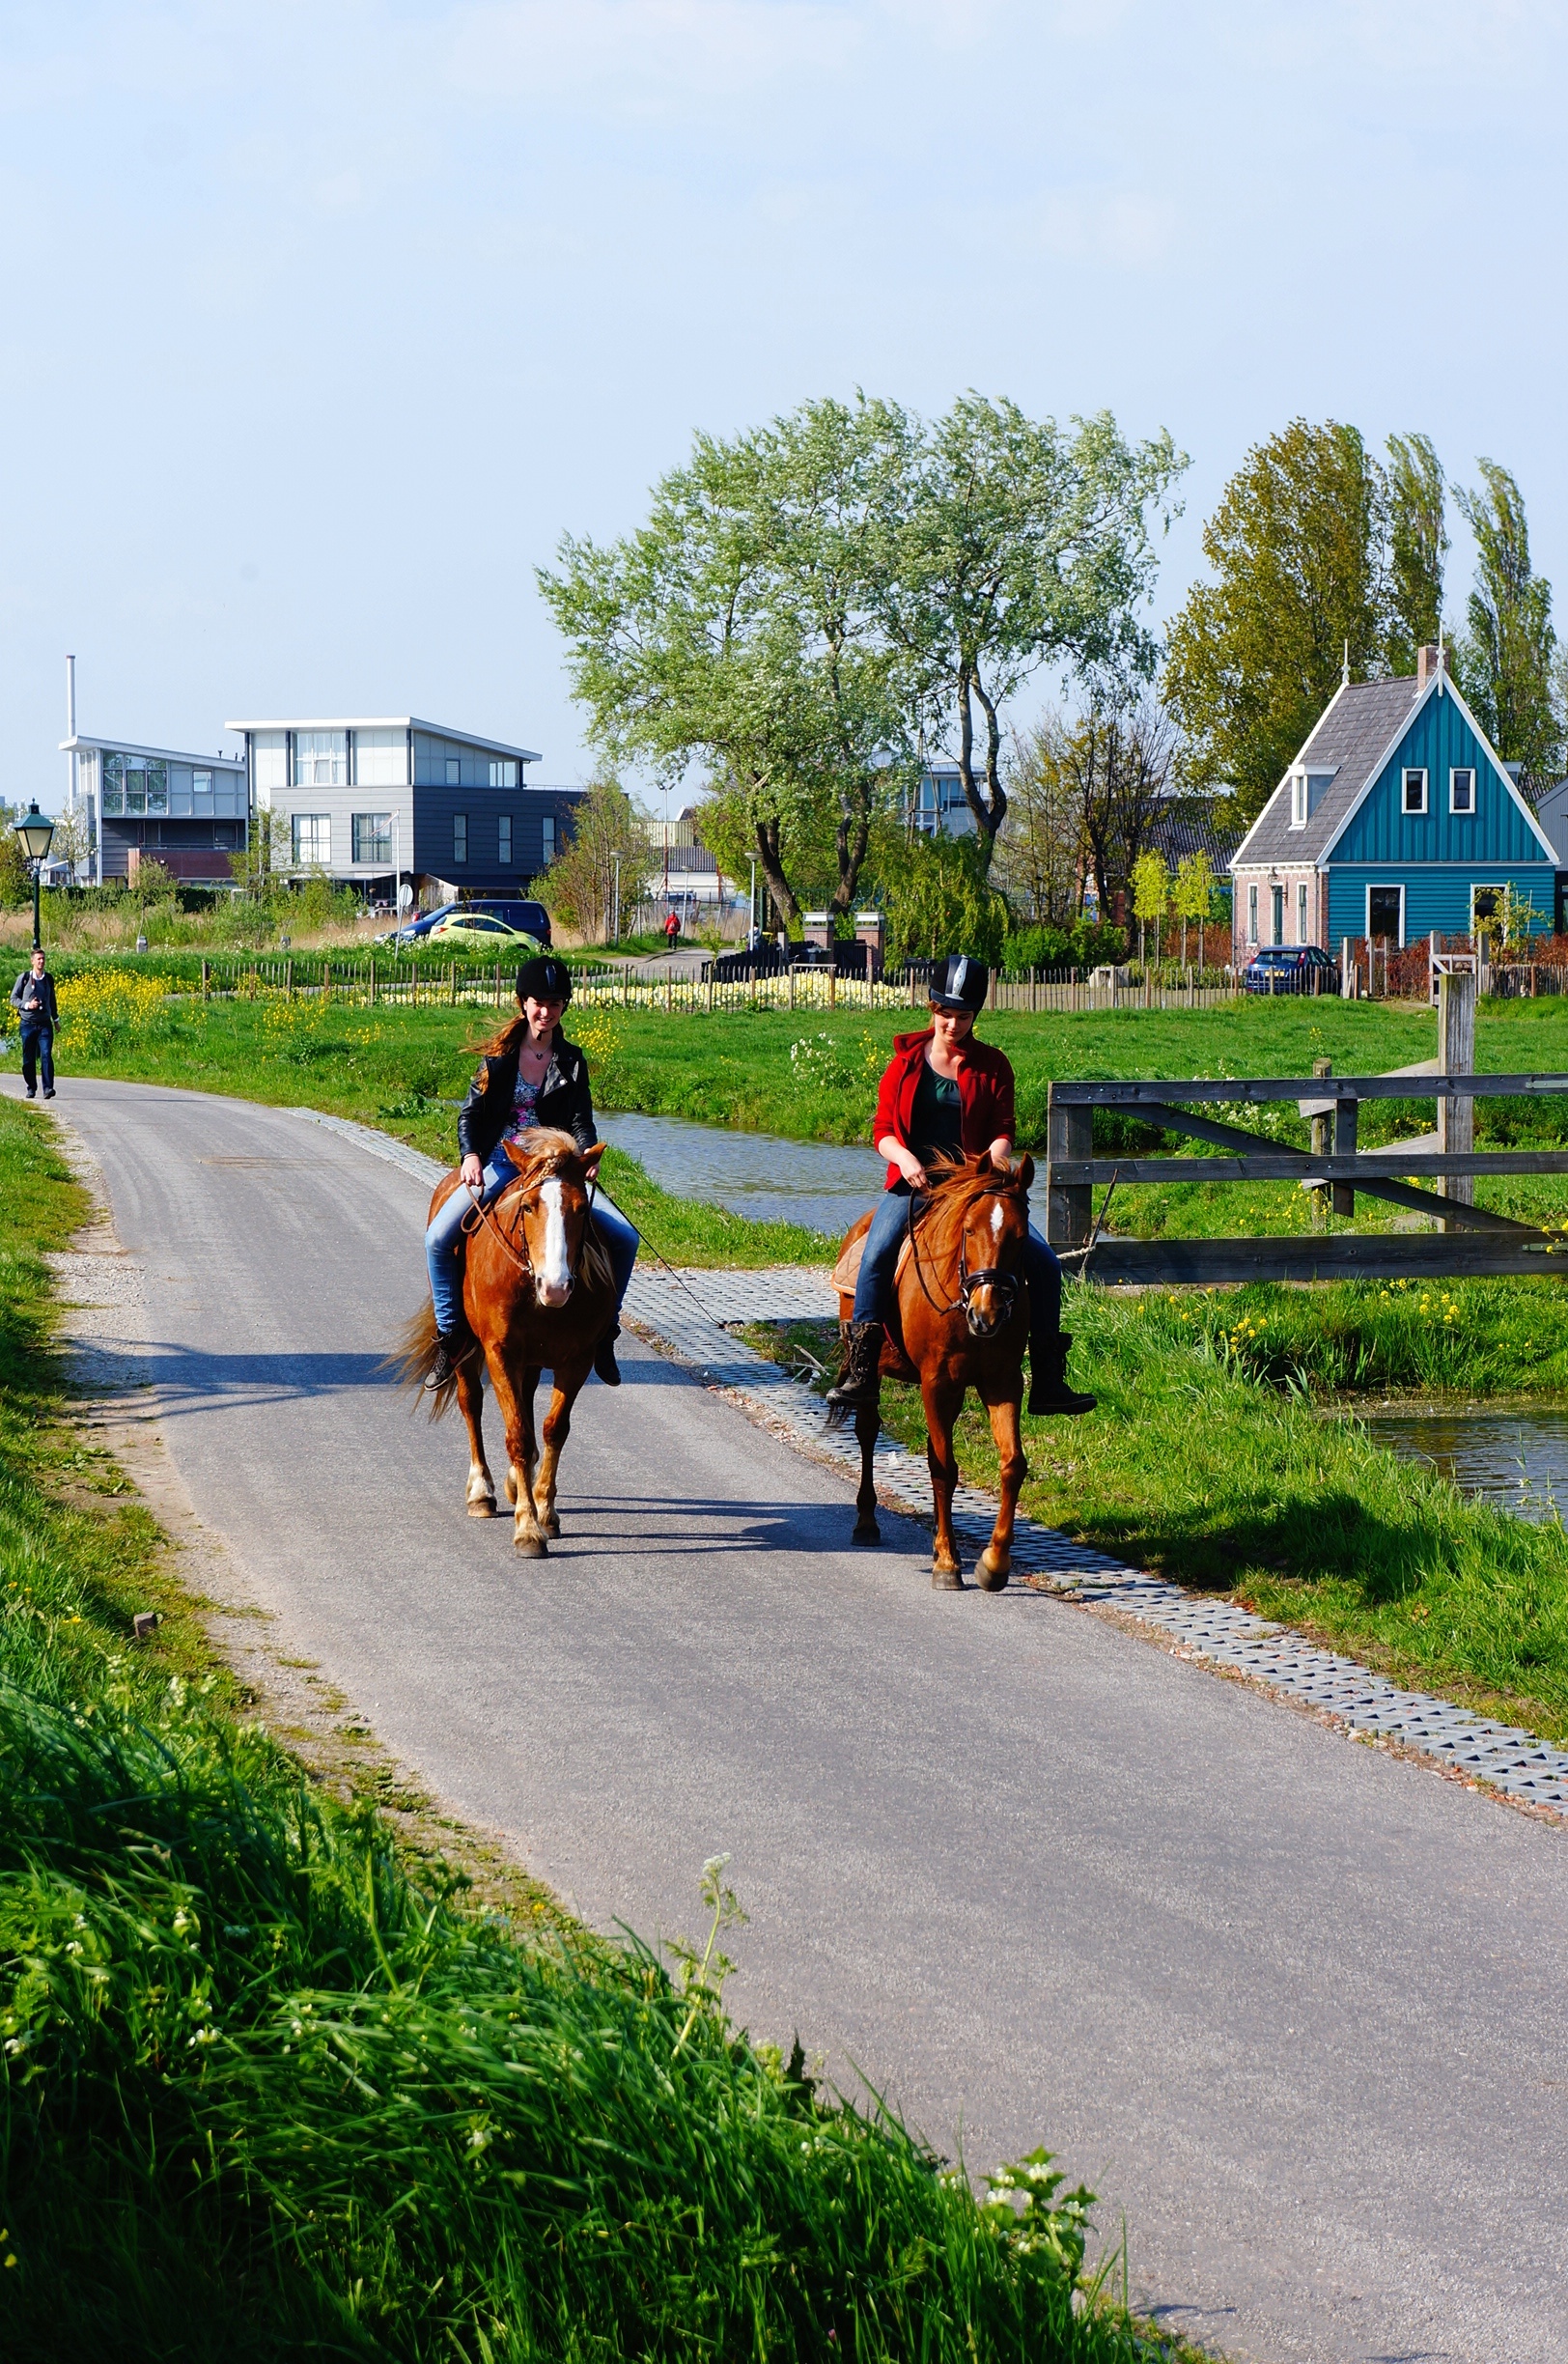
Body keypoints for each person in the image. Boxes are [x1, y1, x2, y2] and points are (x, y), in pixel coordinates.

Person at [826, 953, 1095, 1419]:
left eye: (963, 1016)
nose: (953, 1024)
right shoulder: (905, 1064)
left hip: (974, 1190)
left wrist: (996, 1156)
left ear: (976, 1016)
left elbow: (1004, 1128)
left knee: (1046, 1265)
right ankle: (862, 1368)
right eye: (945, 1014)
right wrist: (906, 1158)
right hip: (914, 1186)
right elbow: (883, 1131)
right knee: (875, 1254)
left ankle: (1048, 1379)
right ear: (932, 1009)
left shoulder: (993, 1066)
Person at [423, 953, 640, 1391]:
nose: (546, 1012)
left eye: (555, 1004)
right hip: (504, 1163)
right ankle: (449, 1336)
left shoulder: (572, 1061)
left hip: (557, 1167)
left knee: (626, 1238)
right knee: (437, 1239)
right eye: (539, 1002)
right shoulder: (498, 1057)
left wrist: (586, 1155)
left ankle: (605, 1335)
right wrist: (470, 1157)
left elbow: (581, 1119)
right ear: (523, 1003)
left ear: (563, 1009)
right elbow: (470, 1115)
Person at [10, 946, 59, 1101]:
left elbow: (52, 1001)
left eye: (43, 959)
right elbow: (13, 999)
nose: (41, 961)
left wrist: (56, 1020)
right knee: (28, 1058)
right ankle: (31, 1087)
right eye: (38, 959)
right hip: (27, 1024)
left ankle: (48, 1088)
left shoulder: (48, 979)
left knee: (46, 1055)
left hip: (44, 1024)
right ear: (32, 961)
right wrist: (27, 1005)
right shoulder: (23, 978)